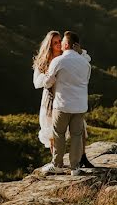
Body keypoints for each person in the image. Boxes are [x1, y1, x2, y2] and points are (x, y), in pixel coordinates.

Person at [32, 30, 93, 175]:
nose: (58, 44)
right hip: (55, 100)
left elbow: (49, 81)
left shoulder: (59, 60)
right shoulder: (46, 61)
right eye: (55, 42)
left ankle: (60, 164)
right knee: (58, 133)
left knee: (61, 133)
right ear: (49, 45)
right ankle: (74, 166)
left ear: (65, 44)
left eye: (60, 41)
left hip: (62, 101)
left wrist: (50, 78)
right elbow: (37, 83)